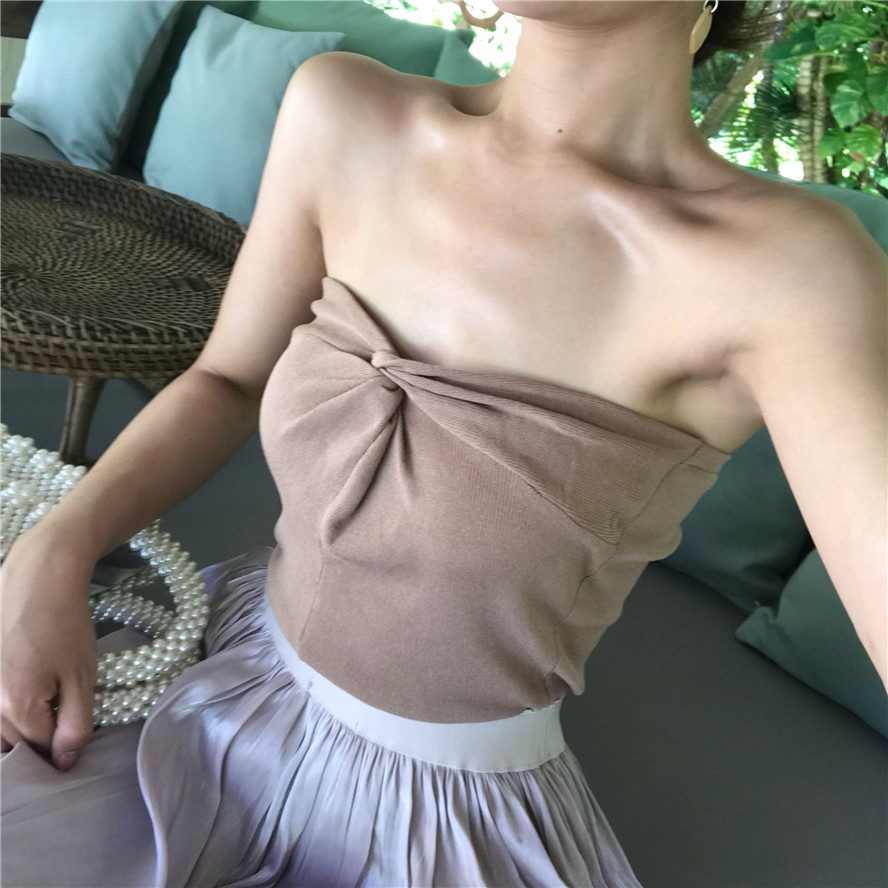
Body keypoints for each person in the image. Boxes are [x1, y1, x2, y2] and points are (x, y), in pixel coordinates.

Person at [2, 1, 885, 886]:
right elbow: (228, 378)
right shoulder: (342, 111)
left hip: (431, 828)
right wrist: (59, 544)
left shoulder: (784, 275)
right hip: (217, 670)